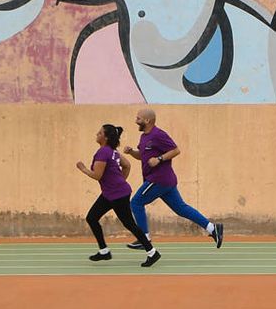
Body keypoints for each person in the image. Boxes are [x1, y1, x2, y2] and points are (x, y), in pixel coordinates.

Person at [121, 108, 224, 249]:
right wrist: (132, 152)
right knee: (181, 209)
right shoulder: (144, 137)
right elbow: (142, 156)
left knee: (136, 203)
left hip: (159, 179)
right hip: (164, 182)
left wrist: (159, 159)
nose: (135, 121)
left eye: (138, 118)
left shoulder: (158, 134)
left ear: (147, 120)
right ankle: (213, 228)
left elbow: (176, 150)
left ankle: (144, 238)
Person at [76, 123, 160, 267]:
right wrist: (120, 181)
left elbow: (97, 175)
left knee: (129, 224)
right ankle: (104, 251)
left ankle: (152, 252)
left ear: (106, 138)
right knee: (92, 217)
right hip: (111, 193)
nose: (97, 134)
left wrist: (83, 168)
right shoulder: (112, 151)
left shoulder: (103, 152)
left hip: (117, 194)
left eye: (100, 133)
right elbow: (127, 165)